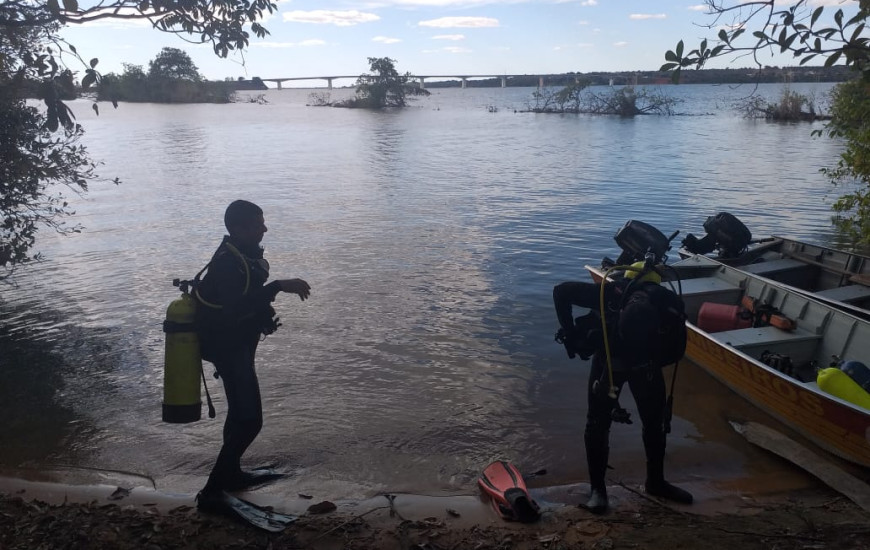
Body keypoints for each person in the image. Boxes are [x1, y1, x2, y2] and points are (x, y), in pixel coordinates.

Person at [193, 200, 311, 505]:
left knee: (238, 412)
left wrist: (263, 315)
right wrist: (278, 286)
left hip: (235, 345)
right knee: (250, 420)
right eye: (259, 224)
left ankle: (230, 474)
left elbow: (243, 301)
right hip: (228, 348)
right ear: (239, 229)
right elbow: (235, 309)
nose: (265, 228)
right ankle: (212, 492)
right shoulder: (226, 263)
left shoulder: (241, 256)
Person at [553, 267, 692, 514]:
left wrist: (570, 332)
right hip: (624, 364)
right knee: (623, 423)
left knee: (631, 422)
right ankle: (621, 486)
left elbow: (560, 291)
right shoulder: (626, 296)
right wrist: (571, 334)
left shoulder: (658, 306)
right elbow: (560, 291)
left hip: (629, 365)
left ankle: (631, 486)